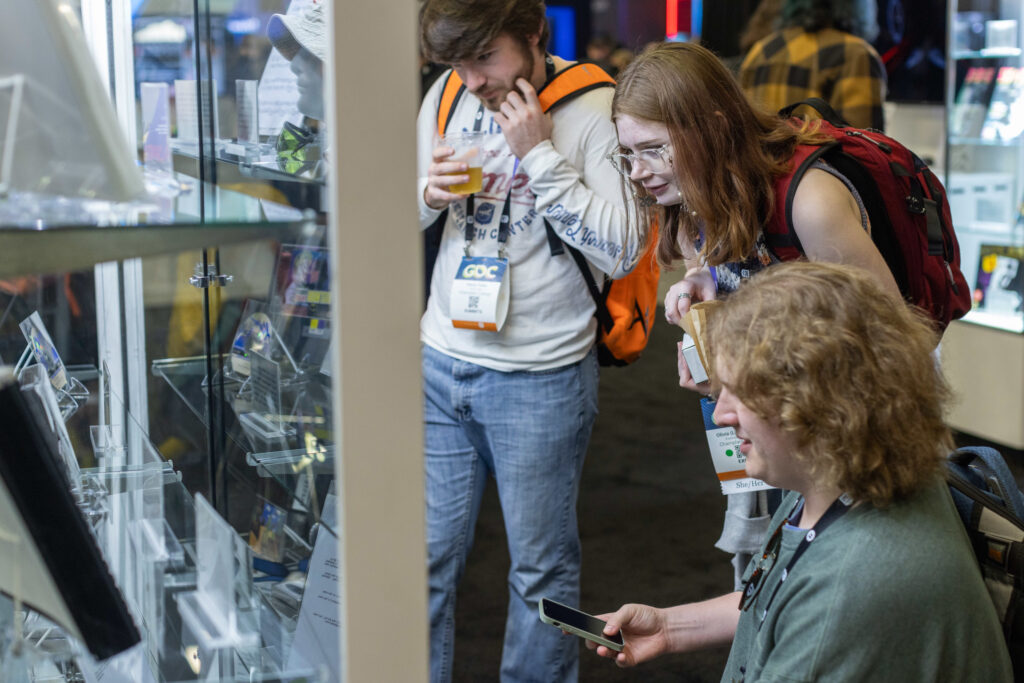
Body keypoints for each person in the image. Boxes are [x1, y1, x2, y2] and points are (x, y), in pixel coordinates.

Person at [588, 261, 1014, 681]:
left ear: (819, 406)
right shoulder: (837, 473)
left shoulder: (851, 589)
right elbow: (783, 595)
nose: (720, 414)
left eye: (741, 394)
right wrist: (669, 627)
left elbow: (819, 609)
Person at [611, 40, 899, 586]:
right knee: (770, 579)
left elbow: (888, 348)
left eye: (652, 149)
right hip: (776, 425)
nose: (637, 172)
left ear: (712, 128)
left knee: (835, 585)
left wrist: (746, 370)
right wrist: (706, 284)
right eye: (627, 154)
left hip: (848, 436)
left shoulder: (811, 201)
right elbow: (743, 271)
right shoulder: (699, 193)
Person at [417, 1, 641, 681]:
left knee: (542, 571)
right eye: (457, 61)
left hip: (542, 376)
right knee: (423, 558)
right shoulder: (450, 92)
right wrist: (428, 193)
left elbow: (624, 246)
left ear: (535, 35)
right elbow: (395, 202)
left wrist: (539, 155)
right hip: (441, 359)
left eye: (485, 57)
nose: (473, 78)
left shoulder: (594, 104)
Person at [738, 0, 887, 130]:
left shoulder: (760, 52)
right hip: (815, 162)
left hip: (761, 163)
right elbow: (865, 149)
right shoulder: (855, 54)